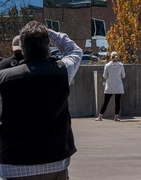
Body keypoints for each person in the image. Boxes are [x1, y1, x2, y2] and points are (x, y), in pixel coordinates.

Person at [0, 22, 83, 180]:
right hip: (55, 160)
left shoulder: (4, 78)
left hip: (14, 162)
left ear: (22, 49)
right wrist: (48, 32)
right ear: (48, 47)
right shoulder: (62, 72)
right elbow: (74, 50)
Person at [97, 51, 125, 121]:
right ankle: (116, 117)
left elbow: (105, 76)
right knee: (117, 102)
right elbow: (123, 76)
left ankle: (100, 116)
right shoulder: (121, 65)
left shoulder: (107, 65)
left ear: (110, 57)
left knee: (106, 102)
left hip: (109, 86)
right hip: (118, 86)